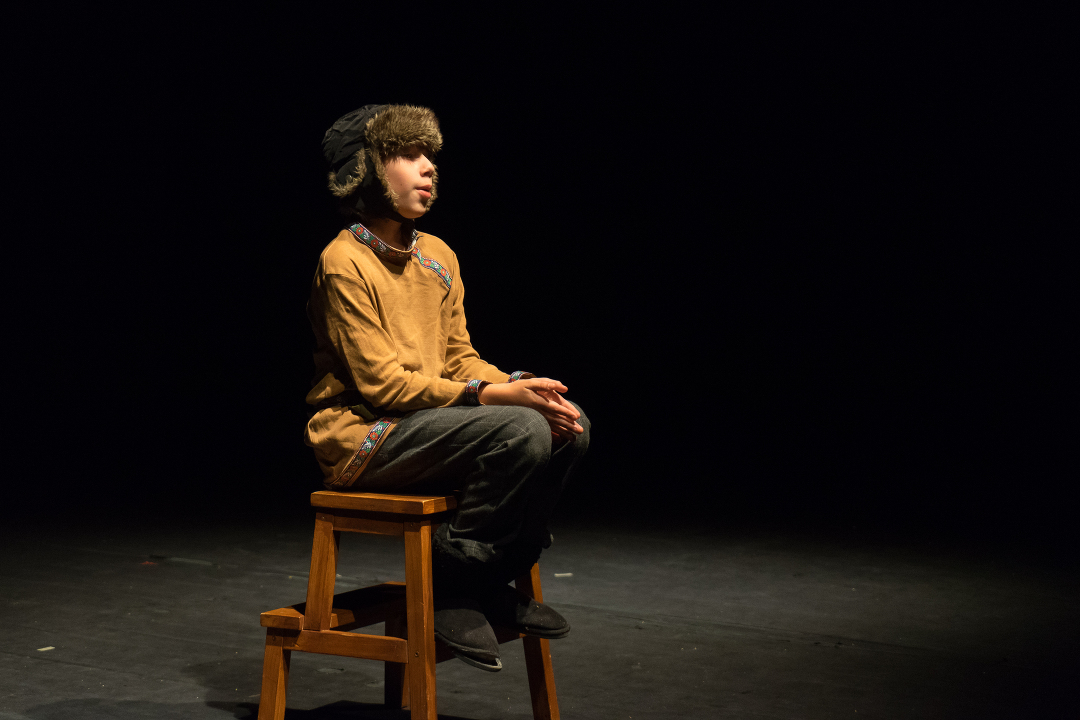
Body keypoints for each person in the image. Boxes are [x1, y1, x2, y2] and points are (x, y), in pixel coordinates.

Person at [304, 104, 591, 671]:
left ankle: (490, 578)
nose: (428, 167)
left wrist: (520, 385)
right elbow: (383, 386)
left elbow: (459, 358)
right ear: (365, 170)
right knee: (520, 429)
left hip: (431, 425)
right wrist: (492, 398)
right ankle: (452, 585)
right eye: (408, 154)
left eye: (430, 155)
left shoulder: (438, 256)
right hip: (367, 436)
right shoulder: (343, 262)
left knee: (567, 426)